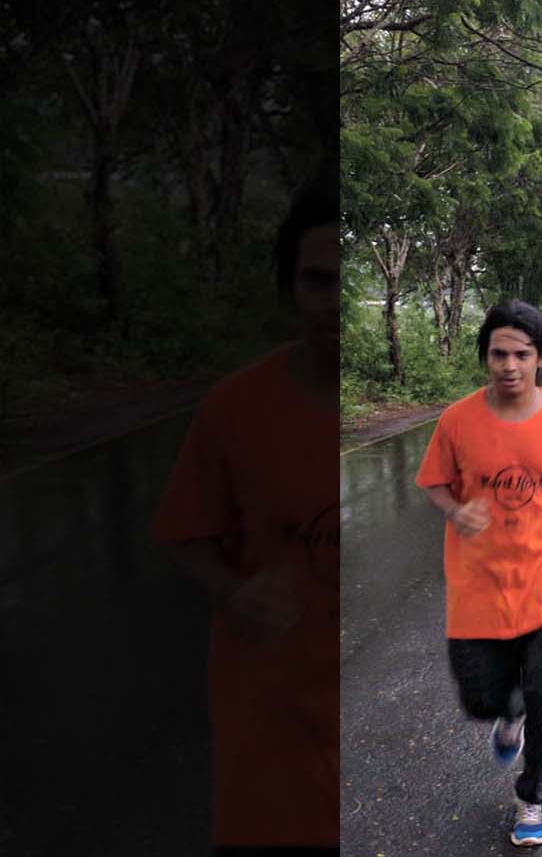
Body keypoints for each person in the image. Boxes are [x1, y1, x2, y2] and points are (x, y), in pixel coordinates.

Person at [152, 170, 340, 855]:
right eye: (317, 280)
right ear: (290, 288)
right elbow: (183, 533)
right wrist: (235, 591)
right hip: (270, 737)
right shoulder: (234, 411)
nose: (333, 301)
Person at [415, 301, 542, 848]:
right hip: (479, 583)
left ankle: (533, 795)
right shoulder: (457, 420)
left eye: (521, 355)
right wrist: (456, 510)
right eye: (499, 354)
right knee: (480, 697)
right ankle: (509, 712)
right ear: (486, 357)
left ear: (540, 358)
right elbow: (433, 482)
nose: (509, 365)